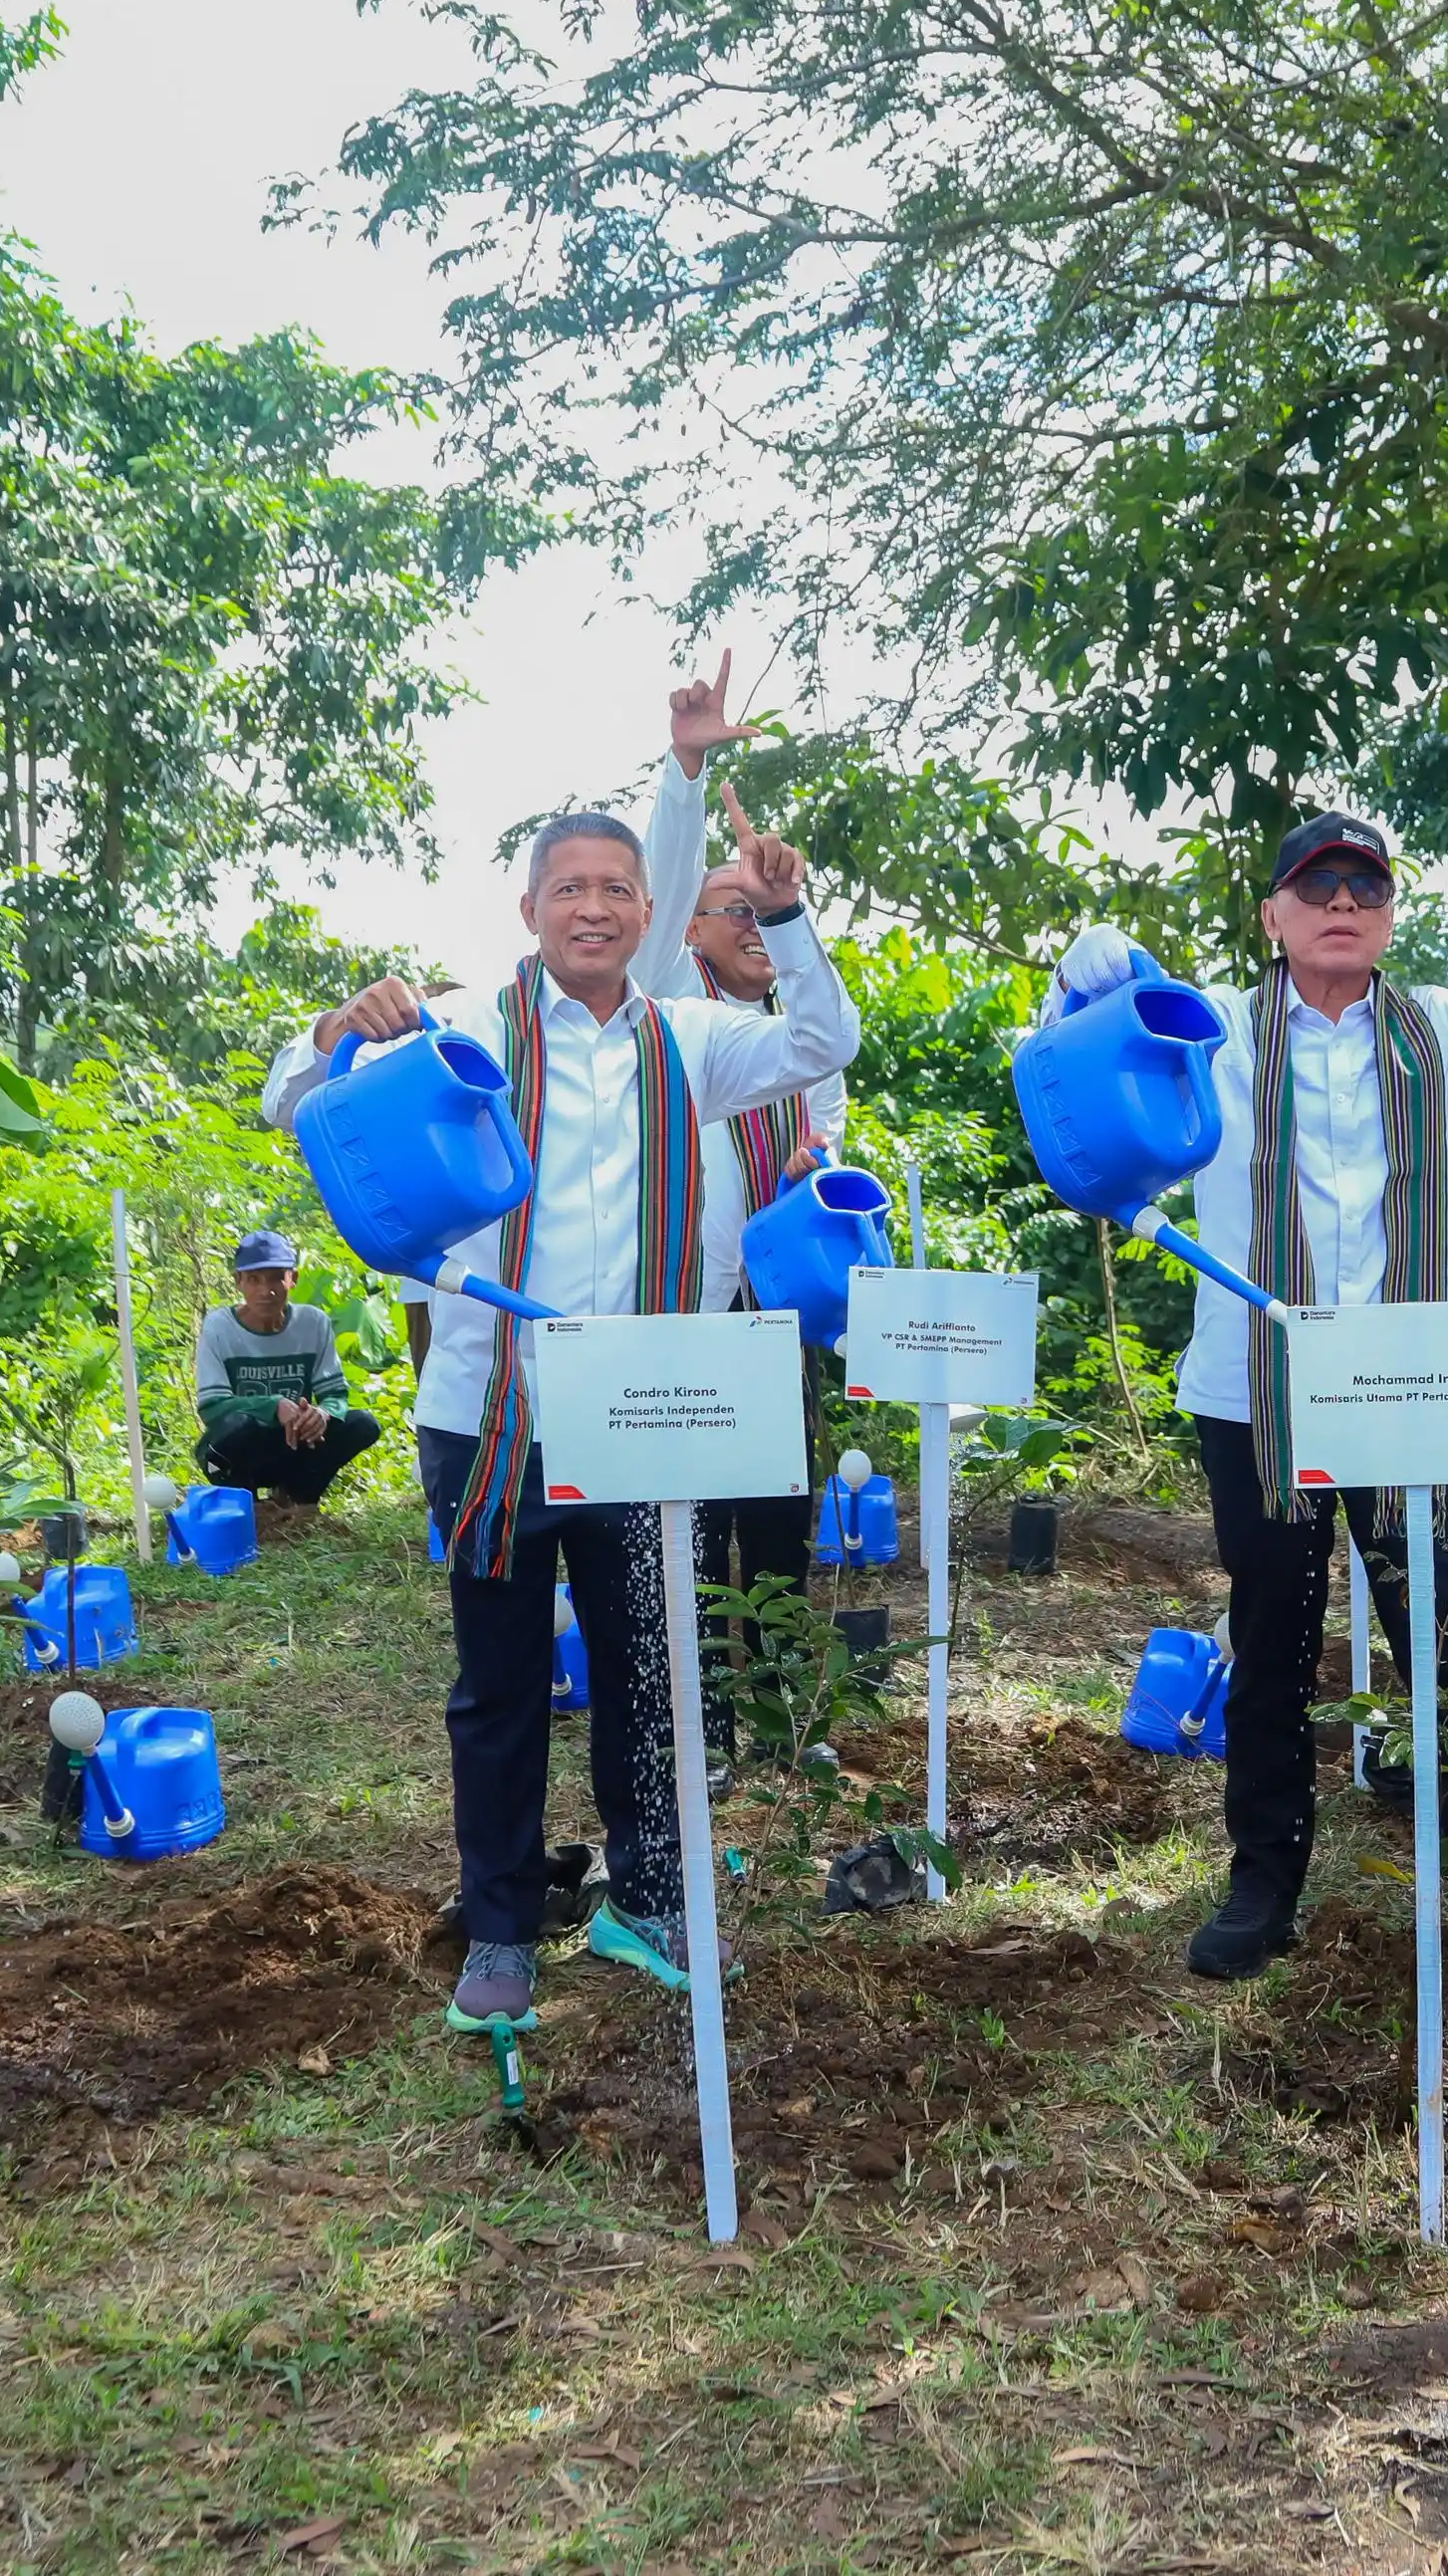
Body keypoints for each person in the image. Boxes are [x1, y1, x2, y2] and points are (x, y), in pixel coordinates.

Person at [264, 737, 859, 2017]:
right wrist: (333, 1029)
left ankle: (650, 1899)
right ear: (528, 909)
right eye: (567, 888)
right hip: (489, 1414)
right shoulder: (466, 1025)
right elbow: (290, 1095)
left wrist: (788, 911)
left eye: (615, 890)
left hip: (645, 1413)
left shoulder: (697, 1040)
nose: (591, 908)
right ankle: (502, 1920)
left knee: (652, 1663)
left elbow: (823, 1035)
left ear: (649, 914)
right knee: (498, 1679)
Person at [1043, 750, 1448, 2004]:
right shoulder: (1203, 1032)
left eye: (1364, 883)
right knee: (1270, 1634)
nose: (1341, 903)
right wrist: (1078, 975)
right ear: (1274, 914)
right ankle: (1265, 1879)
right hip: (1256, 1389)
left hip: (1416, 1389)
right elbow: (1080, 1060)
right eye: (1316, 885)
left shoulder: (1446, 1031)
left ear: (1389, 911)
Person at [637, 658, 852, 1786]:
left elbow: (827, 1127)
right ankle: (702, 1731)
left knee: (778, 1518)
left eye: (760, 910)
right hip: (690, 1311)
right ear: (694, 932)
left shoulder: (791, 1044)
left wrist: (819, 1166)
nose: (751, 925)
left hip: (779, 1314)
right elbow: (660, 896)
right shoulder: (665, 1019)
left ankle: (777, 1716)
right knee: (697, 1528)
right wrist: (688, 771)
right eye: (736, 908)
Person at [194, 1231, 382, 1507]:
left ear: (292, 1279)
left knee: (362, 1424)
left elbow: (336, 1395)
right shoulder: (220, 1327)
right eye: (254, 1280)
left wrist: (323, 1413)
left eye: (275, 1278)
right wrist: (274, 1405)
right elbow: (212, 1407)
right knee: (237, 1426)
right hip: (242, 1451)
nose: (265, 1291)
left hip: (295, 1445)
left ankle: (300, 1500)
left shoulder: (312, 1323)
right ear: (238, 1282)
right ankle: (247, 1506)